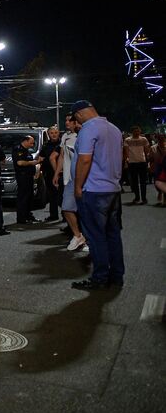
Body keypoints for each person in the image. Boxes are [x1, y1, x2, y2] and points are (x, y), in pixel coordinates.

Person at [71, 100, 125, 290]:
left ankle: (100, 278)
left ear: (79, 115)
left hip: (94, 190)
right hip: (113, 189)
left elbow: (85, 159)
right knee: (113, 235)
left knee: (96, 237)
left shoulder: (88, 129)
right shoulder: (114, 129)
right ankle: (117, 276)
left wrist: (78, 186)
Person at [53, 114, 85, 250]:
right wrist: (56, 173)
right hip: (68, 178)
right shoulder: (65, 136)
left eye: (69, 120)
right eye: (65, 120)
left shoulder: (83, 136)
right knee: (66, 207)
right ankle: (78, 235)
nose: (66, 123)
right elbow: (61, 156)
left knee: (84, 211)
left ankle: (87, 240)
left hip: (83, 178)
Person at [13, 135, 43, 224]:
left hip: (28, 176)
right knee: (23, 197)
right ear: (25, 141)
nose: (32, 145)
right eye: (31, 143)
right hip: (23, 176)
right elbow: (20, 162)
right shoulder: (18, 149)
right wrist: (34, 162)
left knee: (29, 197)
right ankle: (21, 218)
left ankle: (28, 215)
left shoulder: (26, 150)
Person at [39, 127, 62, 222]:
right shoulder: (46, 146)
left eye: (56, 132)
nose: (54, 134)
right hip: (49, 173)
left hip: (61, 173)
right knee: (52, 196)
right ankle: (53, 215)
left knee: (62, 196)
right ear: (48, 134)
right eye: (51, 133)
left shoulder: (63, 144)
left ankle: (67, 217)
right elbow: (41, 158)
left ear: (59, 133)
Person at [123, 126, 151, 205]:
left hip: (142, 161)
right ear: (132, 132)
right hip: (132, 162)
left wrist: (147, 161)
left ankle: (144, 198)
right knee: (134, 182)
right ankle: (137, 197)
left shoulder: (143, 139)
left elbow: (146, 150)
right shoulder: (127, 140)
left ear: (140, 131)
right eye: (135, 131)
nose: (137, 133)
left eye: (138, 131)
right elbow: (126, 151)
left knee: (143, 181)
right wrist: (127, 160)